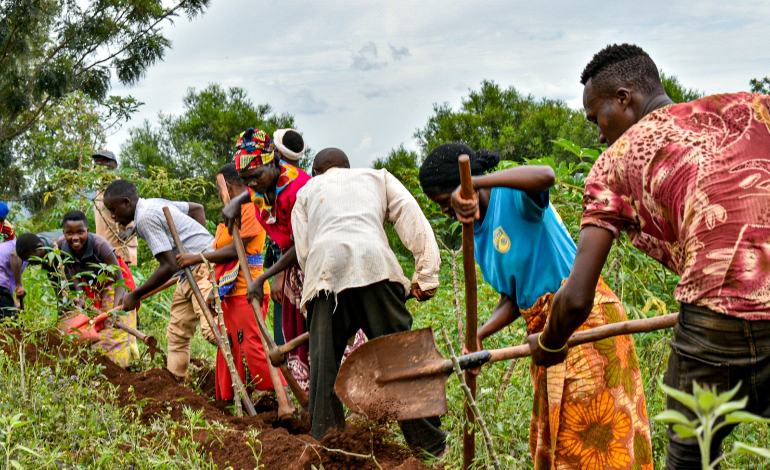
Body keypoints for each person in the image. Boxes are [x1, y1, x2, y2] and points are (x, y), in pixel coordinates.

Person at [531, 43, 770, 470]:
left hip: (715, 314)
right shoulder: (754, 108)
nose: (600, 136)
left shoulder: (613, 163)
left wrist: (549, 344)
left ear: (624, 98)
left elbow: (577, 296)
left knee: (692, 456)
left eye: (596, 119)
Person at [420, 143, 652, 469]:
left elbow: (546, 175)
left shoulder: (511, 196)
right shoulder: (477, 236)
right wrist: (480, 335)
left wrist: (478, 183)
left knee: (599, 434)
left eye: (446, 202)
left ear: (466, 185)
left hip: (583, 318)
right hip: (545, 337)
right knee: (561, 440)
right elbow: (513, 299)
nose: (448, 211)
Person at [293, 148, 446, 454]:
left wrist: (330, 311)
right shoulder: (377, 177)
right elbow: (409, 213)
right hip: (376, 266)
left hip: (325, 275)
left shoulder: (306, 191)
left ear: (316, 173)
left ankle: (329, 448)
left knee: (323, 369)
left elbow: (304, 250)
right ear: (348, 168)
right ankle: (430, 448)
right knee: (403, 360)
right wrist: (426, 274)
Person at [176, 163, 286, 399]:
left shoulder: (250, 209)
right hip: (230, 290)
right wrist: (213, 291)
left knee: (252, 345)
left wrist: (197, 257)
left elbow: (239, 250)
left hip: (248, 286)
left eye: (219, 187)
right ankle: (234, 398)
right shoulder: (231, 214)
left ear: (228, 185)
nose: (218, 193)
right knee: (232, 346)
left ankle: (274, 395)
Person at [221, 128, 315, 392]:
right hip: (295, 269)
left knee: (318, 335)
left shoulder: (296, 190)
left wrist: (265, 276)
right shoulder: (263, 185)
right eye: (244, 179)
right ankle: (309, 399)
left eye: (255, 176)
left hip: (314, 266)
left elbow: (301, 246)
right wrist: (236, 202)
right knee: (296, 336)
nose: (251, 184)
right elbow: (251, 192)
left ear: (275, 163)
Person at [102, 179, 217, 380]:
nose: (112, 216)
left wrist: (136, 295)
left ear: (127, 202)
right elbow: (197, 209)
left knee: (213, 330)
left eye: (113, 209)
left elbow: (168, 266)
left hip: (203, 271)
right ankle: (174, 385)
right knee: (177, 334)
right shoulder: (151, 204)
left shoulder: (145, 217)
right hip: (186, 276)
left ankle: (252, 370)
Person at [57, 210, 140, 366]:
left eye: (80, 232)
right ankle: (103, 366)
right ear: (64, 233)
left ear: (87, 231)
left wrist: (115, 310)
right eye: (70, 233)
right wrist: (81, 296)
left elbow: (119, 279)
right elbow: (73, 271)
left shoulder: (100, 245)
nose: (75, 238)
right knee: (95, 326)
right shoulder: (62, 245)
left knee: (117, 328)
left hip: (114, 284)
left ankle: (125, 366)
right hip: (92, 286)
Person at [92, 150, 138, 265]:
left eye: (105, 161)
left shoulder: (121, 187)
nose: (100, 164)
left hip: (121, 246)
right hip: (104, 248)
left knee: (124, 281)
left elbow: (135, 212)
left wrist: (128, 232)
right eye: (97, 161)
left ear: (115, 165)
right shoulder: (98, 188)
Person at [0, 238, 26, 320]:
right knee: (8, 321)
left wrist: (14, 303)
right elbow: (14, 254)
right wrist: (19, 285)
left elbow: (5, 289)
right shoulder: (25, 249)